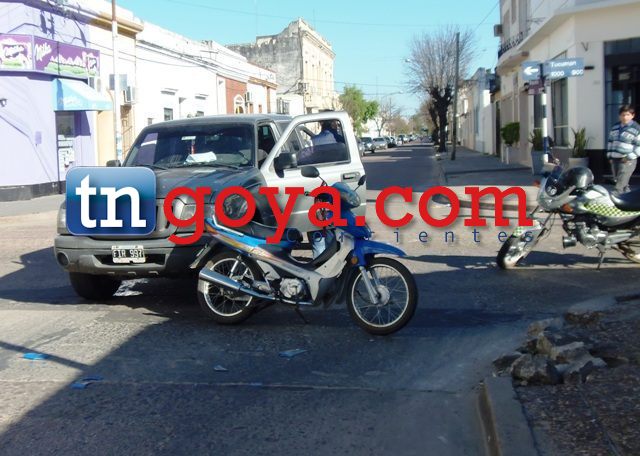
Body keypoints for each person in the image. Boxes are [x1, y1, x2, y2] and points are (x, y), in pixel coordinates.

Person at [607, 105, 640, 194]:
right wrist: (609, 156)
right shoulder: (615, 127)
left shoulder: (637, 128)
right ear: (619, 116)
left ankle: (616, 194)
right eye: (623, 115)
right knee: (619, 180)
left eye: (627, 115)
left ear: (632, 115)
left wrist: (628, 157)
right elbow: (610, 141)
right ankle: (627, 196)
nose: (625, 117)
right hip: (614, 158)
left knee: (620, 183)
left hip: (627, 159)